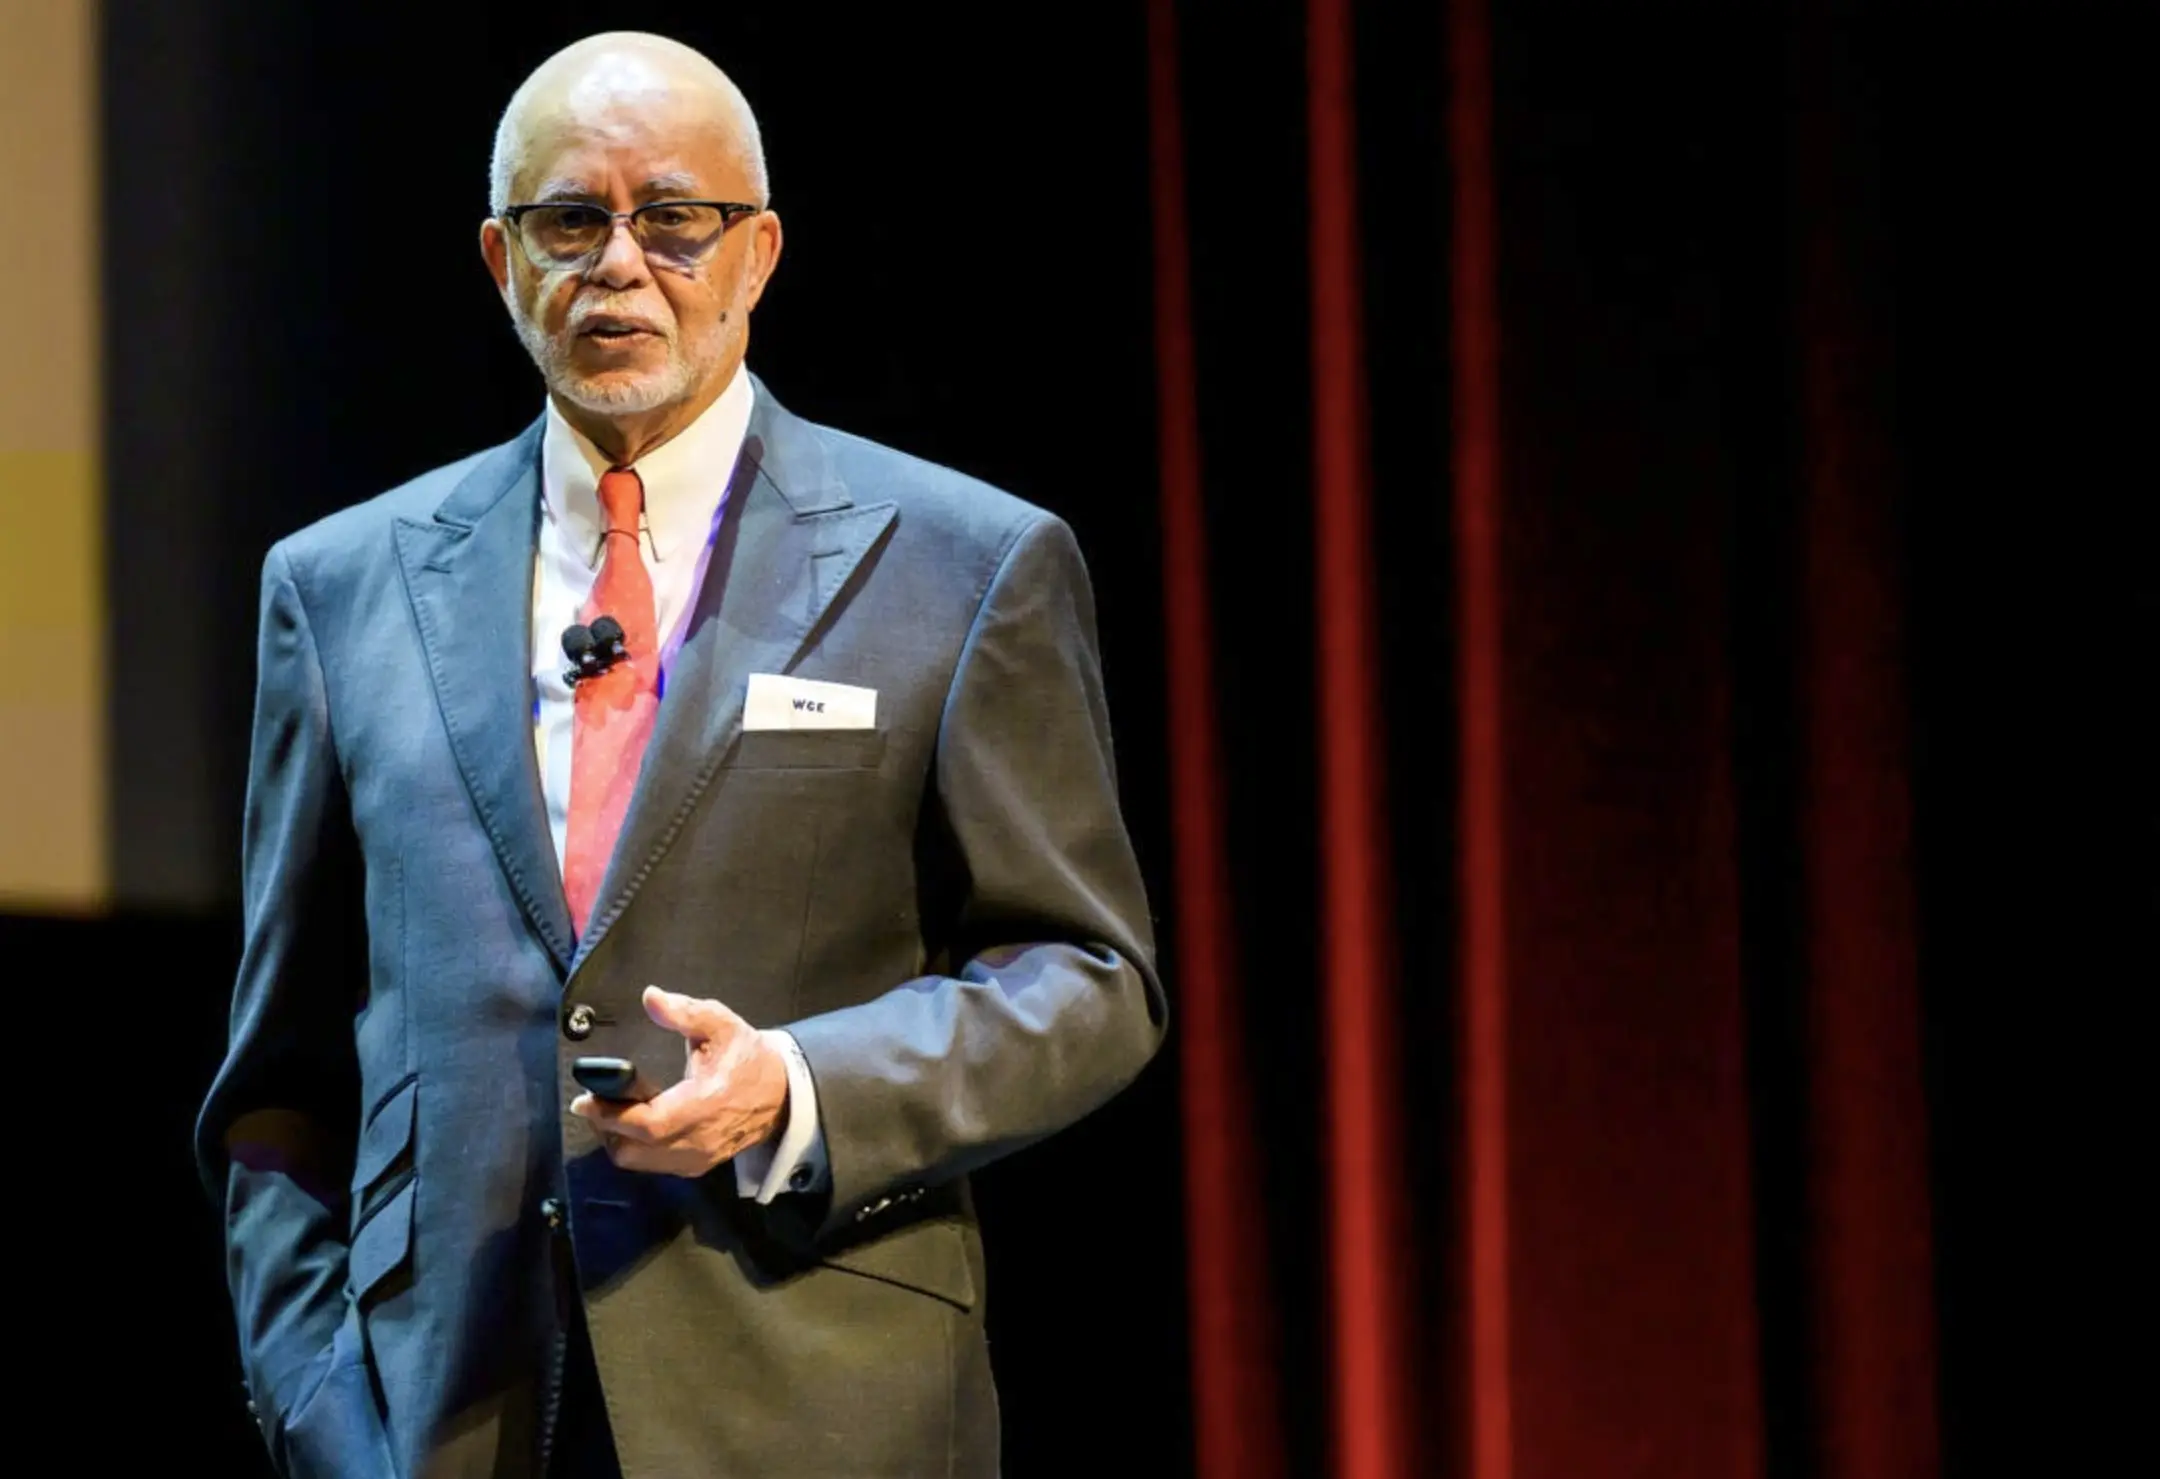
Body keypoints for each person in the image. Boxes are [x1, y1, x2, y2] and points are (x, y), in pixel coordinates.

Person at [195, 31, 1164, 1479]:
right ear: (500, 259)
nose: (620, 264)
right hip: (442, 1414)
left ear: (759, 252)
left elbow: (1089, 983)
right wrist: (319, 1400)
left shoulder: (965, 564)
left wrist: (791, 1083)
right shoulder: (339, 587)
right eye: (571, 221)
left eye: (674, 220)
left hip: (819, 1398)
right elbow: (276, 1079)